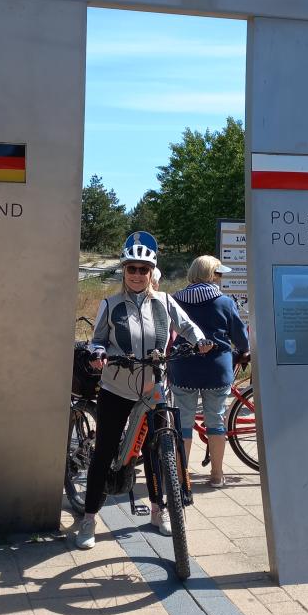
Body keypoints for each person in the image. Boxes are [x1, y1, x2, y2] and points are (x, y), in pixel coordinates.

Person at [73, 232, 211, 550]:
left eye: (143, 269)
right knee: (104, 452)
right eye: (132, 268)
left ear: (151, 272)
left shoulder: (165, 302)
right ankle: (89, 518)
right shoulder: (110, 304)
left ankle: (159, 510)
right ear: (124, 270)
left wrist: (200, 340)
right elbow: (97, 339)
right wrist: (98, 353)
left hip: (154, 388)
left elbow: (186, 326)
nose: (137, 274)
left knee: (156, 451)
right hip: (116, 387)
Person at [168, 255, 250, 488]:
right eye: (219, 273)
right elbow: (240, 337)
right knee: (216, 422)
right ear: (212, 275)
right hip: (217, 370)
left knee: (183, 424)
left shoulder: (174, 300)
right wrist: (244, 350)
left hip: (184, 368)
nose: (220, 278)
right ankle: (216, 474)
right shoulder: (224, 302)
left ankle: (181, 476)